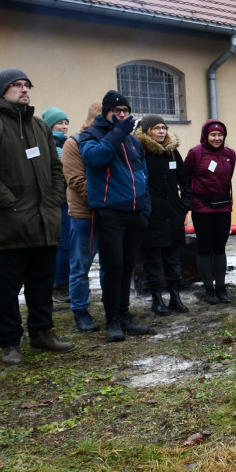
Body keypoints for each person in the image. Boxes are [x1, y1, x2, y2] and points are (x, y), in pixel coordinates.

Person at [0, 68, 73, 365]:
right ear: (2, 91)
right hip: (8, 224)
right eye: (17, 85)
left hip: (43, 222)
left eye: (27, 85)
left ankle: (42, 333)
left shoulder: (38, 125)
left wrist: (51, 202)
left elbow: (54, 167)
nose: (24, 90)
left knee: (41, 282)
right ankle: (9, 343)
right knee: (7, 287)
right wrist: (9, 203)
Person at [79, 91, 151, 342]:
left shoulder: (134, 142)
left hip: (135, 213)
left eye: (125, 111)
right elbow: (94, 158)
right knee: (113, 268)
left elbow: (143, 175)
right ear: (106, 112)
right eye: (116, 111)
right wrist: (118, 132)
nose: (122, 115)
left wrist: (145, 208)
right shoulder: (91, 136)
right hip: (110, 213)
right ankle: (112, 321)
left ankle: (124, 315)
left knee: (128, 268)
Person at [135, 115, 192, 316]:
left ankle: (175, 297)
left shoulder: (172, 152)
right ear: (147, 131)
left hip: (173, 214)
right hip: (152, 215)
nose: (161, 131)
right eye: (156, 128)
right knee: (152, 260)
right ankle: (157, 300)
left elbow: (184, 180)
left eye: (163, 127)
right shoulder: (140, 152)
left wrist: (184, 204)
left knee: (173, 258)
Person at [184, 119, 236, 305]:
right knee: (205, 248)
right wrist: (189, 201)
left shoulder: (230, 154)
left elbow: (227, 178)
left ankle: (221, 287)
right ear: (206, 136)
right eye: (213, 134)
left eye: (220, 135)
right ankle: (209, 289)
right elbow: (185, 176)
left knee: (220, 248)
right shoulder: (195, 153)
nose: (217, 138)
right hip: (202, 208)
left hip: (223, 207)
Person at [62, 101, 103, 333]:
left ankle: (113, 307)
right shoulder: (73, 143)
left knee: (110, 264)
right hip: (84, 214)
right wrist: (105, 201)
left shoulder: (111, 142)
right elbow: (76, 181)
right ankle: (80, 310)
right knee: (80, 266)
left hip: (110, 215)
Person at [43, 107, 72, 303]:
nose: (64, 126)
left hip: (68, 199)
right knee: (64, 244)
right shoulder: (50, 145)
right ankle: (58, 285)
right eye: (59, 123)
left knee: (68, 244)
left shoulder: (65, 143)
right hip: (59, 201)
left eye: (65, 123)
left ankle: (65, 283)